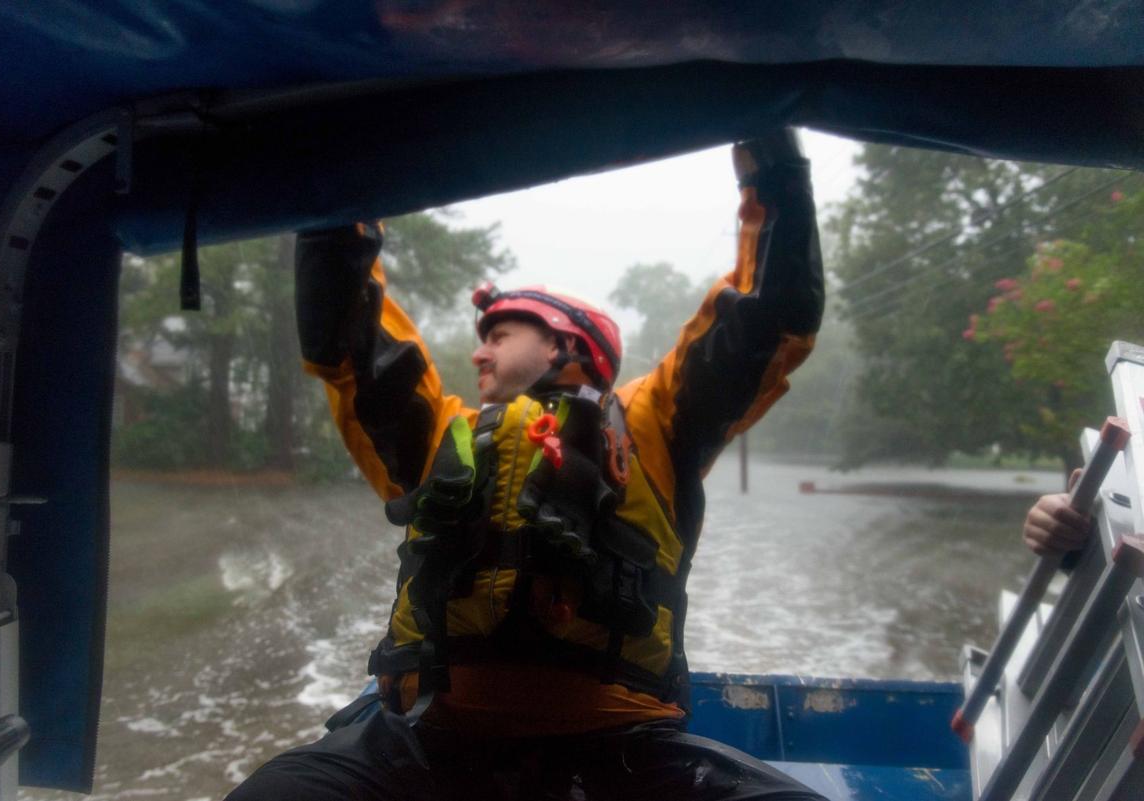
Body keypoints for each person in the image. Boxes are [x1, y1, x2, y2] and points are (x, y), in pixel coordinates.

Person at [227, 129, 826, 800]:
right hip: (430, 738)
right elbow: (346, 338)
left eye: (500, 335)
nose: (479, 354)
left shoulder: (658, 423)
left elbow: (770, 319)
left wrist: (774, 167)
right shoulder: (441, 431)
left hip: (623, 749)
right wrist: (339, 181)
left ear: (565, 345)